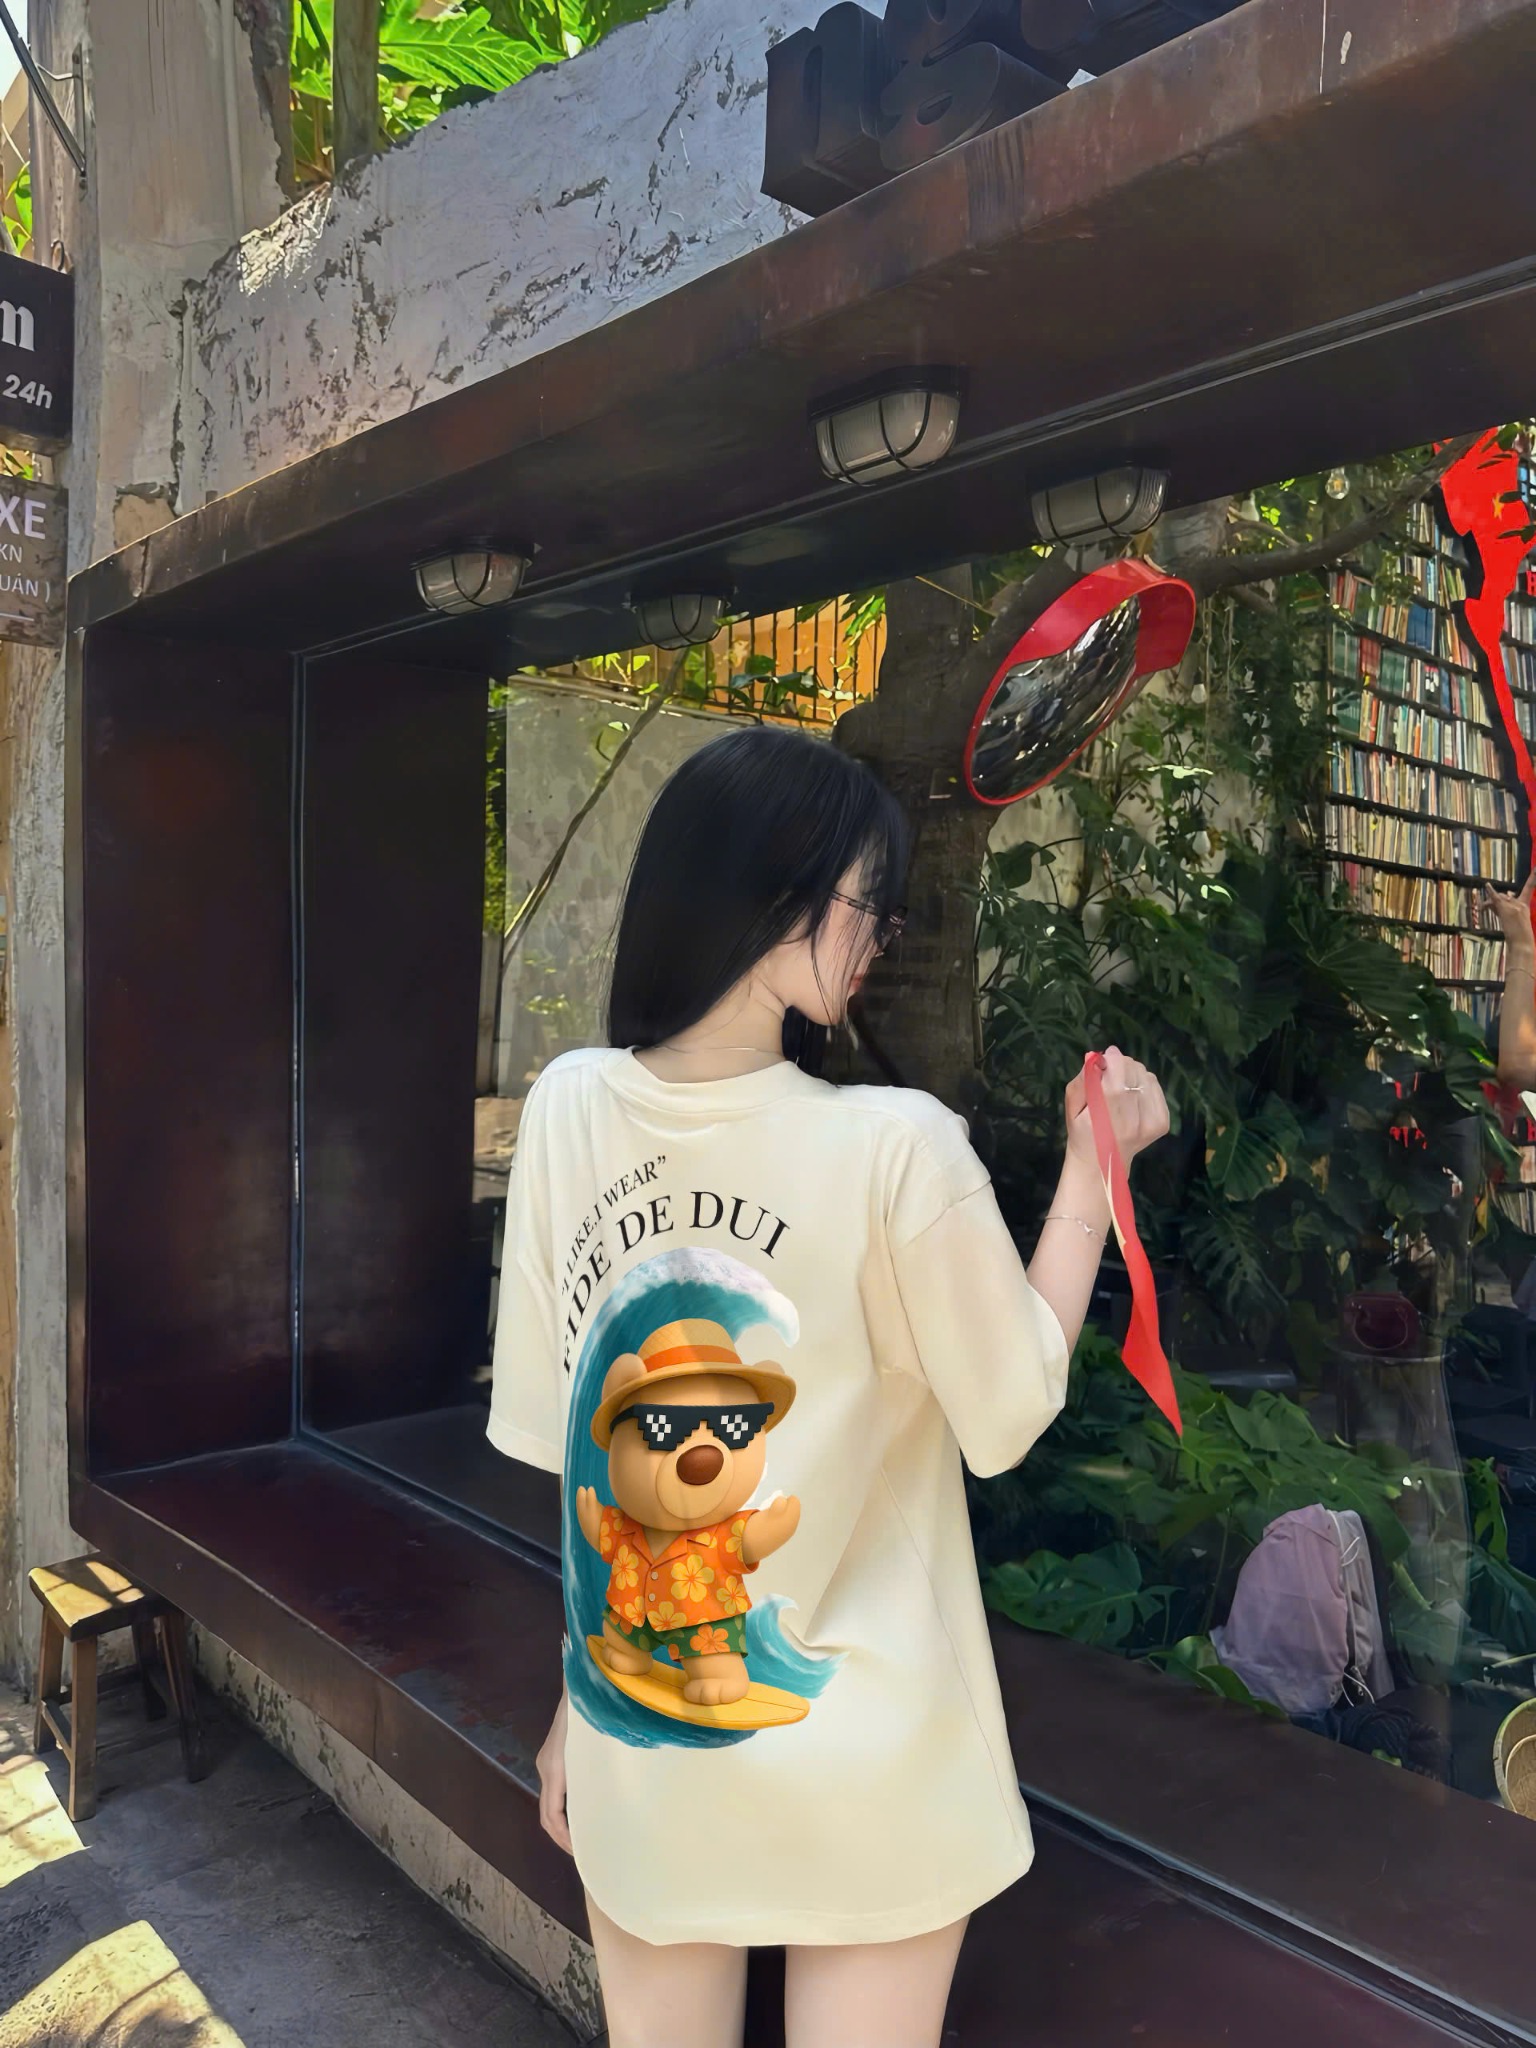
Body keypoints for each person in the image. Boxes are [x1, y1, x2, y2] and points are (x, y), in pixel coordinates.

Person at [488, 724, 1168, 2048]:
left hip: (649, 1733)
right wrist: (1096, 1178)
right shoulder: (895, 1148)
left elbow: (582, 1472)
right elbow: (1009, 1407)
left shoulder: (568, 1107)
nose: (879, 938)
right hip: (872, 1760)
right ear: (777, 897)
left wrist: (580, 1706)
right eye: (868, 904)